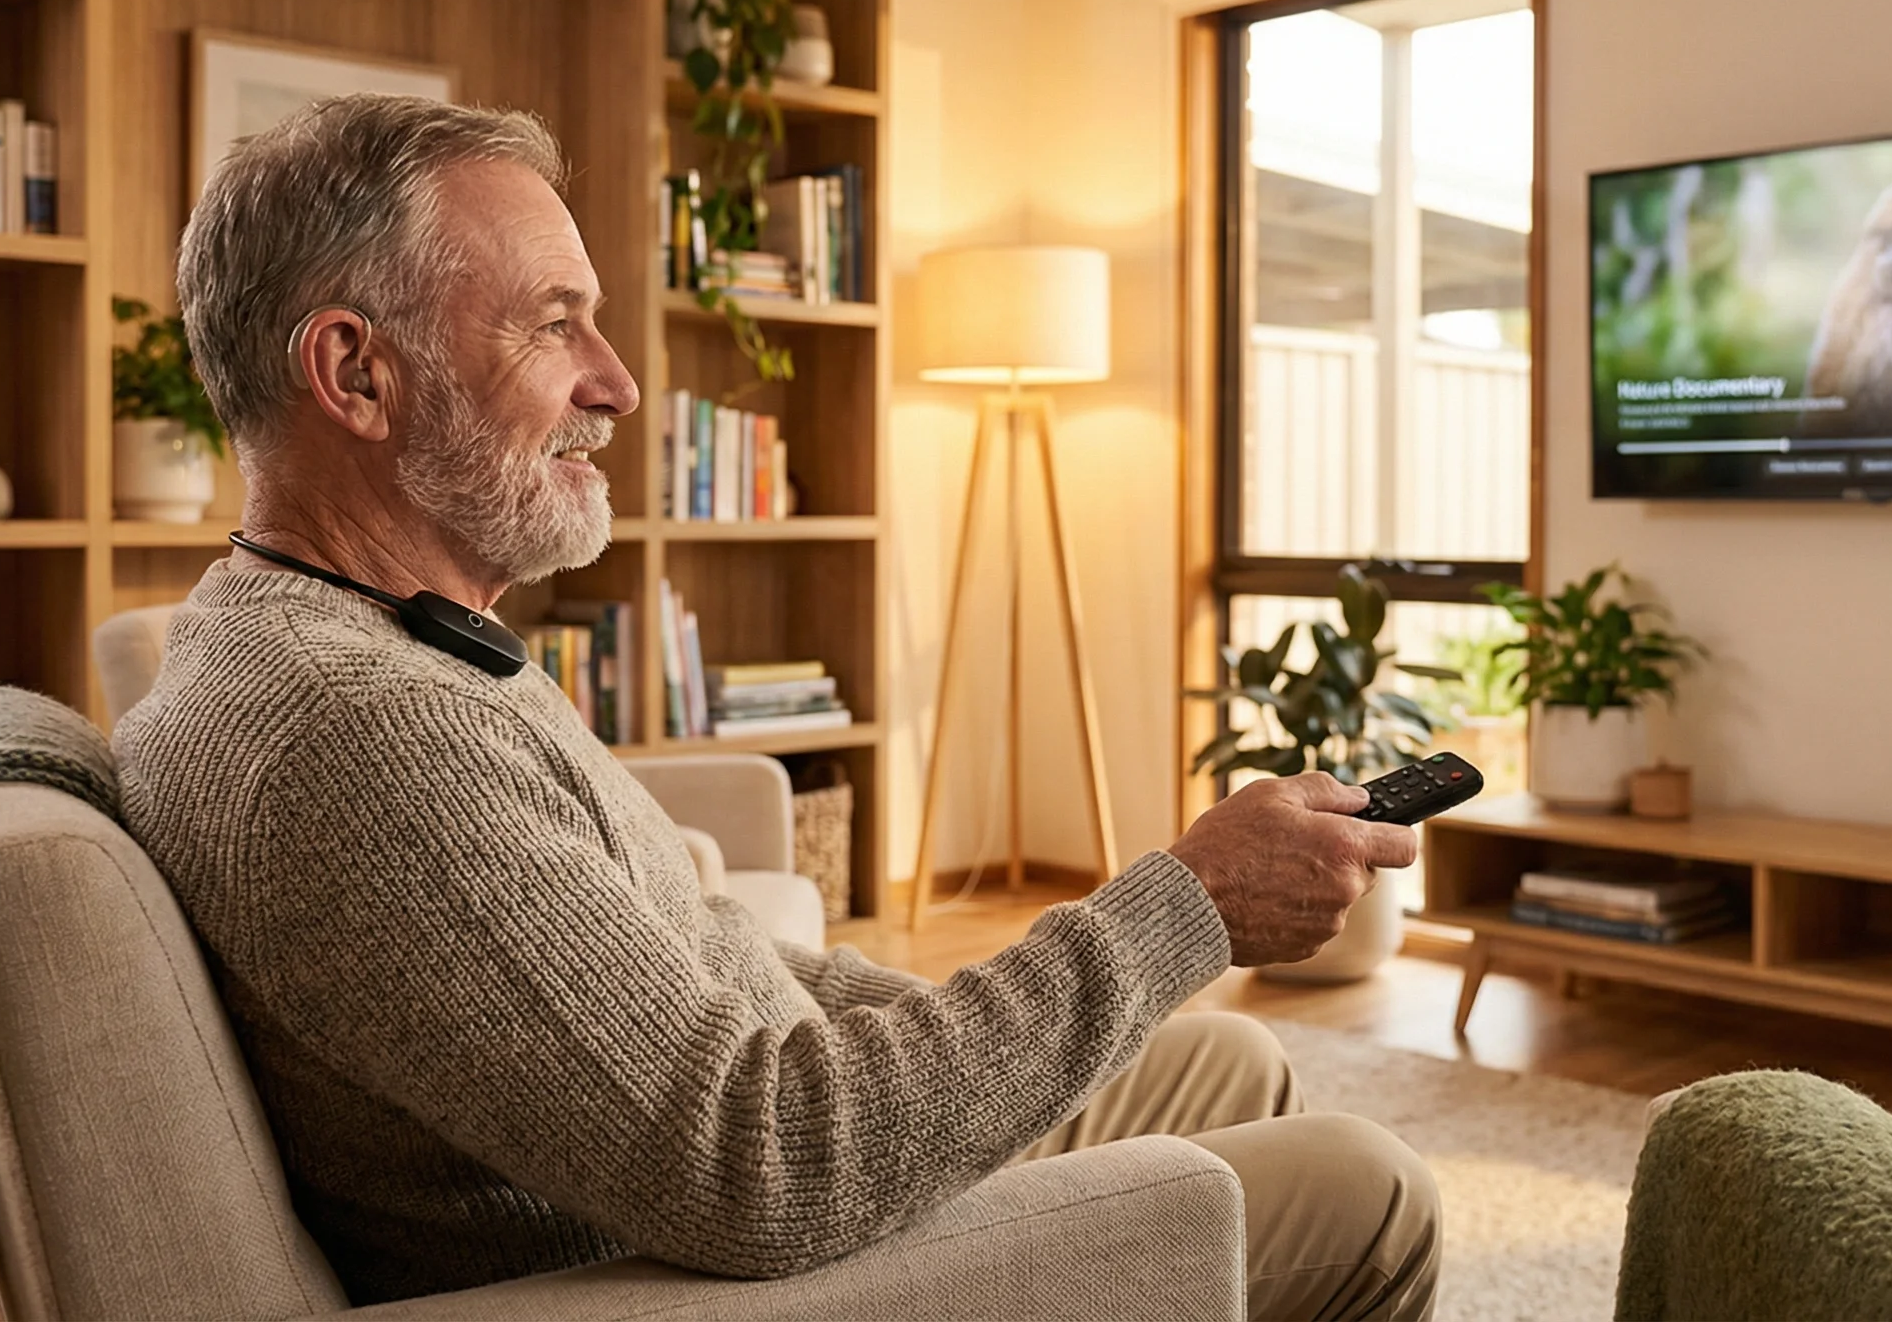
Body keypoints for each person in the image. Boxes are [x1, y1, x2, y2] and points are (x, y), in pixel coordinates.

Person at [116, 93, 1441, 1319]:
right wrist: (1187, 905)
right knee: (1363, 1187)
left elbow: (682, 962)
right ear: (355, 375)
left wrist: (974, 1008)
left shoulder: (371, 644)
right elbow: (758, 1161)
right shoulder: (364, 738)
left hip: (727, 1191)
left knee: (1231, 1074)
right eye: (552, 321)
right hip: (700, 1281)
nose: (617, 383)